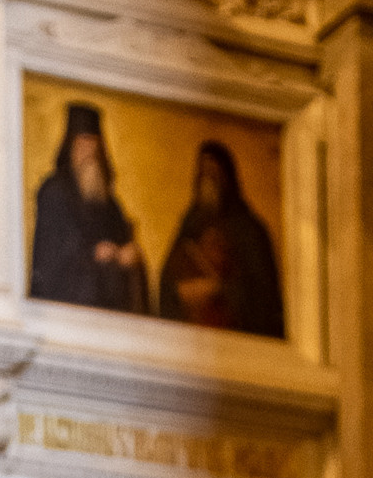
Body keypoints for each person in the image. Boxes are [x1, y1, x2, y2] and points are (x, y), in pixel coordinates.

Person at [158, 137, 284, 337]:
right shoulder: (189, 225)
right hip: (191, 338)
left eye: (214, 171)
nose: (208, 178)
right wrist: (179, 293)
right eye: (203, 172)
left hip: (238, 340)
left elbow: (264, 297)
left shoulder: (249, 229)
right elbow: (167, 284)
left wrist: (217, 288)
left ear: (227, 176)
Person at [29, 101, 147, 311]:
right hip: (68, 302)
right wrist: (94, 253)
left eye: (93, 144)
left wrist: (128, 256)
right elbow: (52, 255)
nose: (88, 152)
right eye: (82, 143)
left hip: (109, 307)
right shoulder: (54, 191)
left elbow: (124, 244)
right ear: (70, 146)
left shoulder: (110, 205)